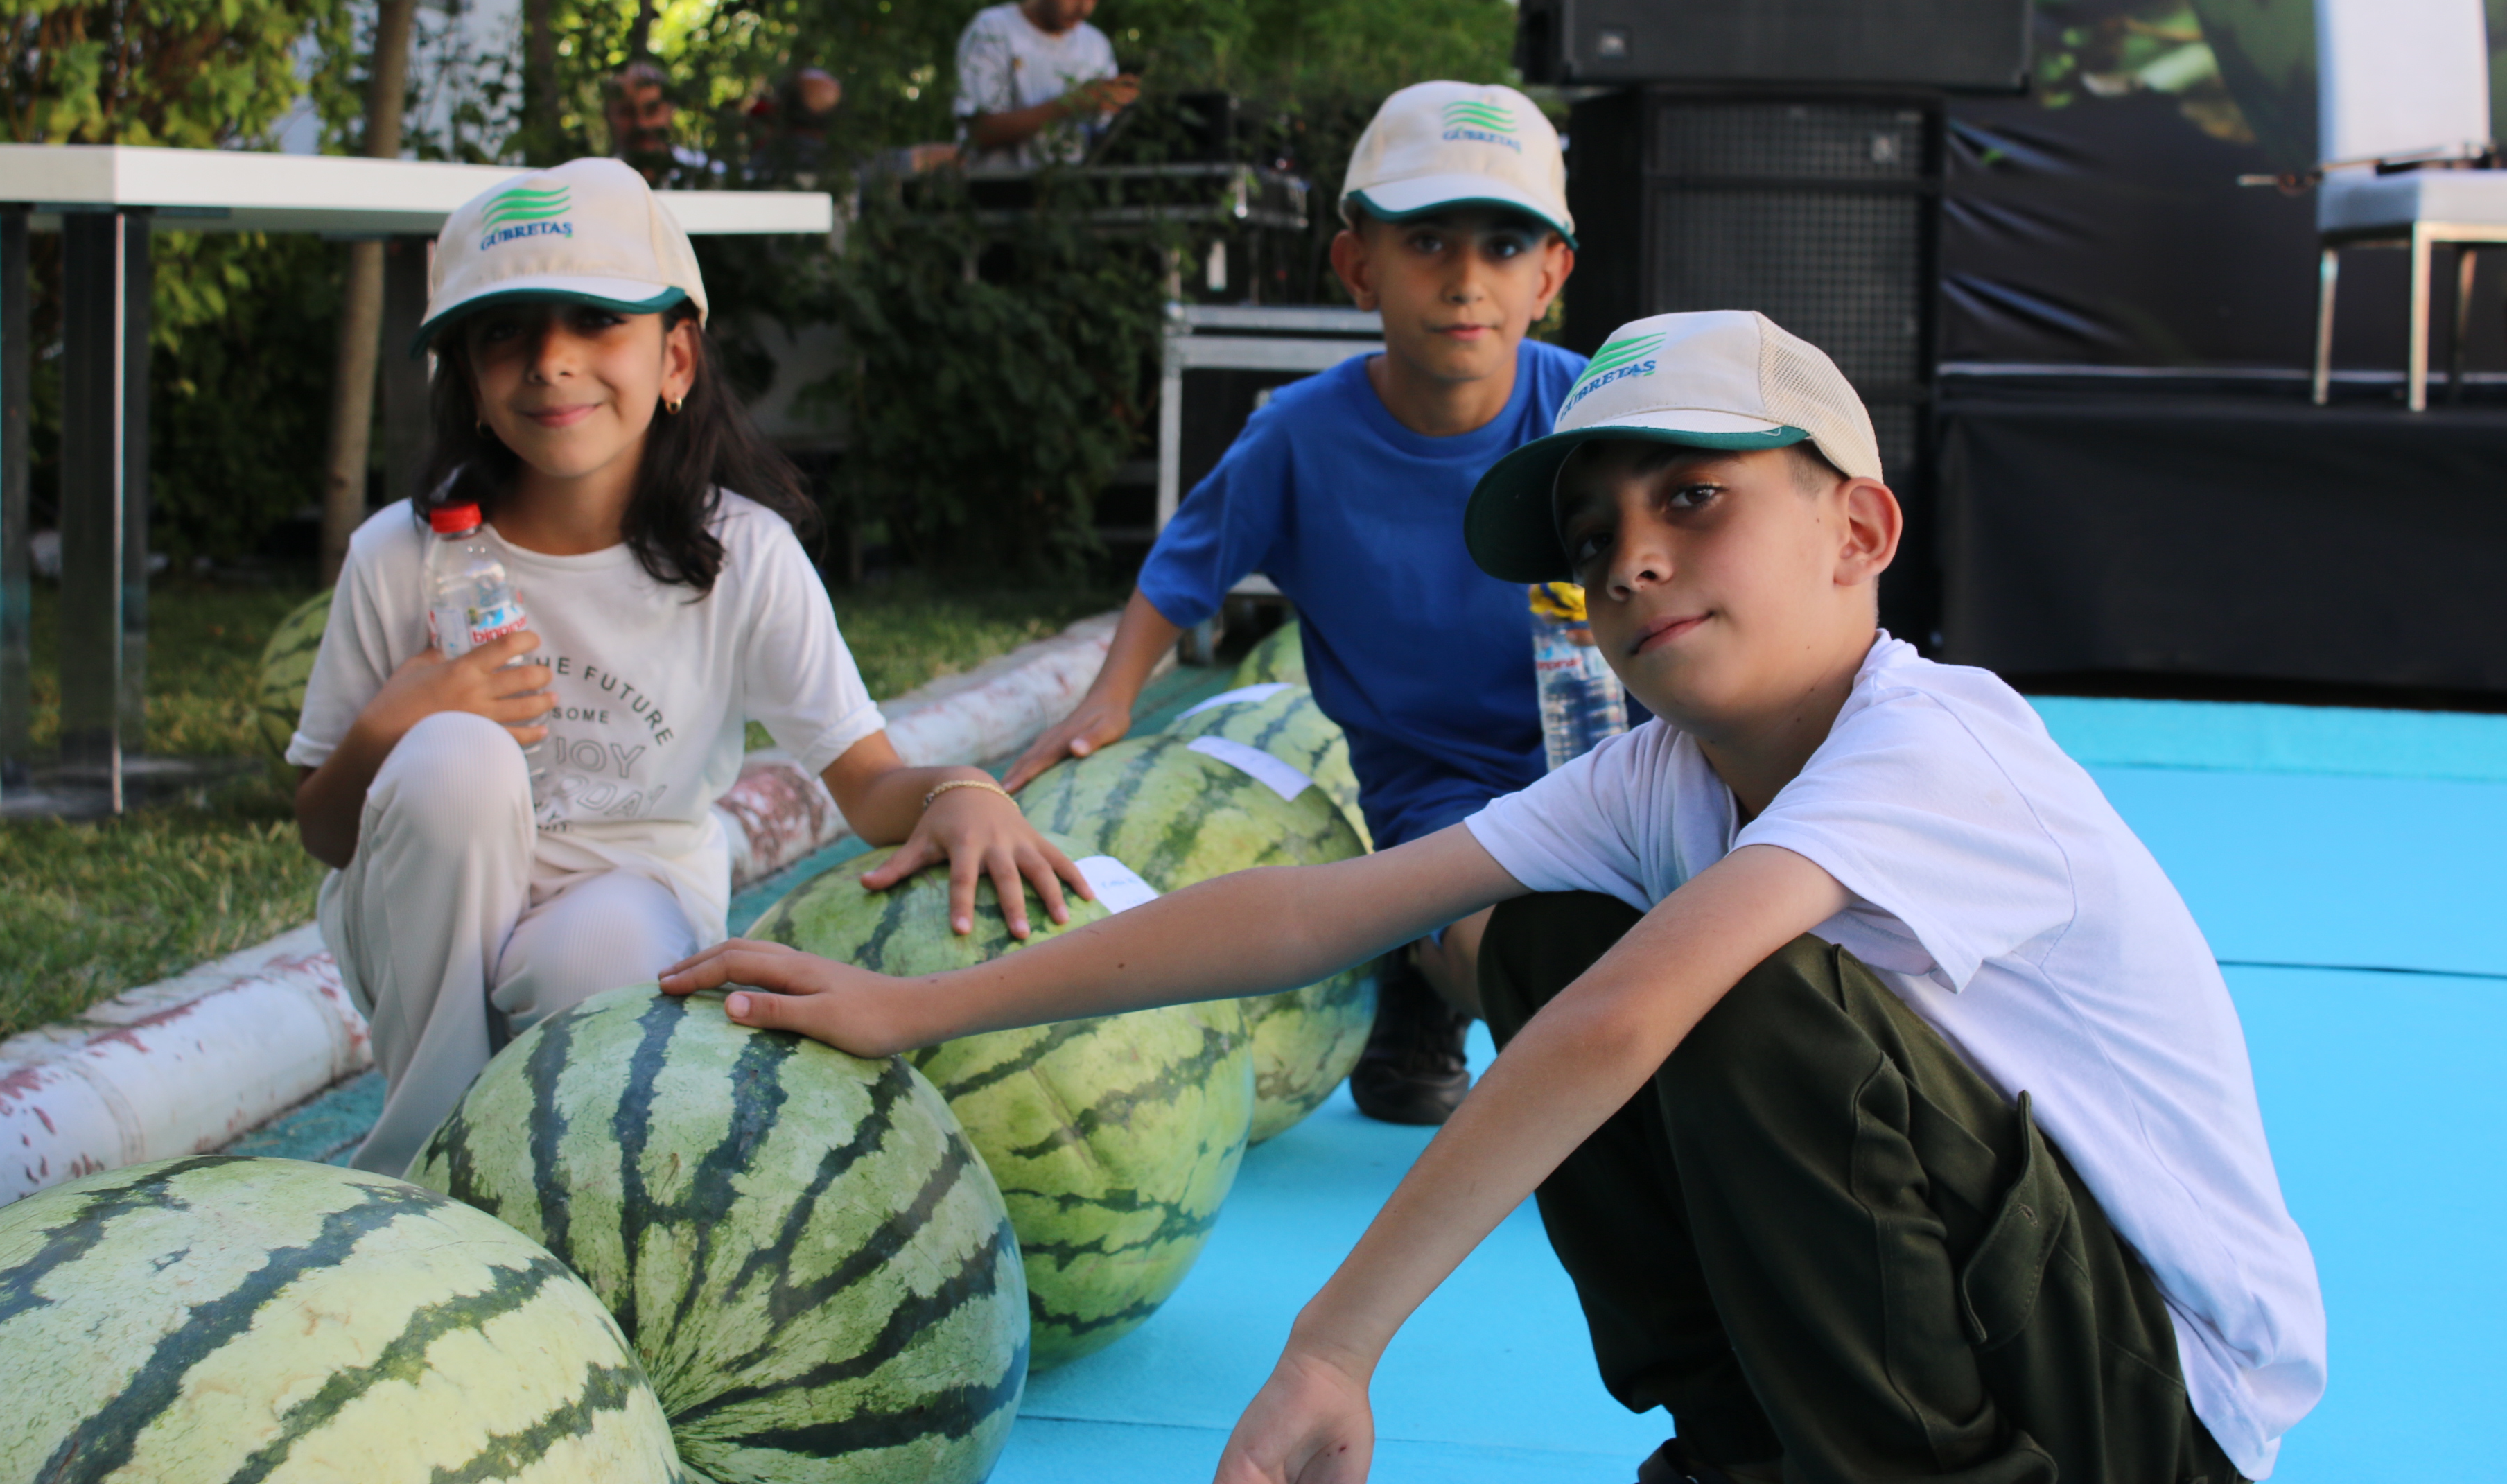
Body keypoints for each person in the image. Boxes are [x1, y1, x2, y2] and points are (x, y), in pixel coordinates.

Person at [665, 309, 2325, 1484]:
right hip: (2006, 1311)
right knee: (1539, 937)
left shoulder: (1937, 745)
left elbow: (1623, 1025)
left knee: (1704, 986)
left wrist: (1334, 1342)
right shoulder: (1663, 774)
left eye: (1693, 498)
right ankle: (1751, 1447)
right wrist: (919, 1004)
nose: (1630, 562)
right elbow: (1321, 913)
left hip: (2145, 1408)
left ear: (1860, 527)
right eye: (1594, 534)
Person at [287, 157, 1090, 1176]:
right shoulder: (399, 556)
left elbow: (868, 782)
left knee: (610, 940)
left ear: (674, 360)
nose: (550, 361)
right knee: (455, 758)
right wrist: (395, 720)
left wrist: (965, 793)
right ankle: (421, 1170)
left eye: (594, 321)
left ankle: (560, 1182)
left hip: (629, 899)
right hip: (419, 928)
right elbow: (324, 830)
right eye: (505, 332)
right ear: (465, 379)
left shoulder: (742, 556)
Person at [1000, 79, 1586, 1126]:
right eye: (1428, 243)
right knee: (1521, 963)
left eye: (1503, 247)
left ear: (1552, 274)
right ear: (1358, 264)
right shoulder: (1296, 438)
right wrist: (1110, 696)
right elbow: (1181, 571)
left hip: (1610, 765)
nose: (1465, 281)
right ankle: (1418, 965)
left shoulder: (1591, 413)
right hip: (1440, 793)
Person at [953, 0, 1142, 173]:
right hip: (999, 197)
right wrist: (1072, 103)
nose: (1085, 8)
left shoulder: (1095, 44)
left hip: (1072, 200)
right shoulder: (993, 30)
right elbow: (979, 130)